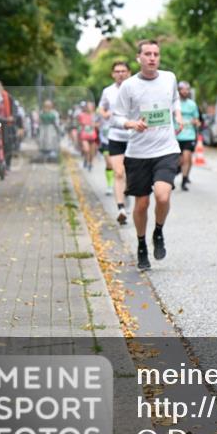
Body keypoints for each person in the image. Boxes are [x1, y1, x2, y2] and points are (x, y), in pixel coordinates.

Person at [111, 40, 183, 271]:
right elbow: (116, 116)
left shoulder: (169, 78)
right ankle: (141, 244)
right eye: (148, 54)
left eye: (156, 54)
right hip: (138, 152)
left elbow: (174, 100)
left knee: (162, 196)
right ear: (138, 58)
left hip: (166, 149)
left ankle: (158, 231)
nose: (152, 58)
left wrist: (178, 116)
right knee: (141, 204)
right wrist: (131, 123)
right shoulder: (129, 86)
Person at [99, 61, 133, 223]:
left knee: (130, 175)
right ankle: (121, 209)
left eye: (123, 71)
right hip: (115, 136)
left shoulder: (135, 88)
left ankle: (127, 199)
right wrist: (104, 114)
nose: (120, 74)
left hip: (134, 137)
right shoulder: (108, 91)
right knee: (118, 172)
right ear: (113, 74)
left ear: (129, 73)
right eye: (117, 71)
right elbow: (101, 108)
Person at [175, 81, 201, 191]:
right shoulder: (175, 104)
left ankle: (184, 180)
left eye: (187, 89)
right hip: (176, 135)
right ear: (179, 90)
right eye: (183, 89)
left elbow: (197, 119)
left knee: (187, 158)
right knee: (179, 160)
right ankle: (177, 171)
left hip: (189, 135)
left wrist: (196, 123)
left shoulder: (192, 104)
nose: (185, 91)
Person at [76, 101, 99, 171]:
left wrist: (94, 125)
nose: (89, 108)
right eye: (88, 106)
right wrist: (78, 136)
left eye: (90, 106)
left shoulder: (95, 115)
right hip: (84, 136)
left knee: (92, 153)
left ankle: (90, 163)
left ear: (92, 108)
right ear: (86, 107)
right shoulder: (81, 115)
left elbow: (99, 124)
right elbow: (78, 125)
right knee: (86, 150)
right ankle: (86, 159)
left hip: (93, 137)